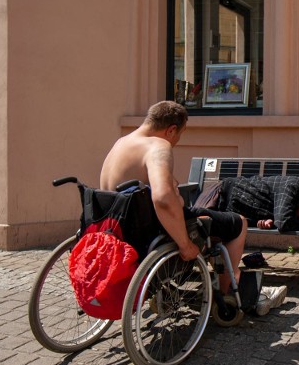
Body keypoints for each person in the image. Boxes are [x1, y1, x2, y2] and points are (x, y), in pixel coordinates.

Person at [99, 100, 247, 295]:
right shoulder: (157, 146)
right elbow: (162, 198)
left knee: (205, 218)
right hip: (148, 230)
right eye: (180, 134)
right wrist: (185, 245)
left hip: (118, 229)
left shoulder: (122, 142)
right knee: (239, 222)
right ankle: (226, 293)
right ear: (171, 130)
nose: (177, 140)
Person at [210, 175, 299, 232]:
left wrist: (270, 221)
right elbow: (283, 223)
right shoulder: (291, 187)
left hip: (233, 212)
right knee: (196, 227)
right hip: (221, 195)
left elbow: (279, 218)